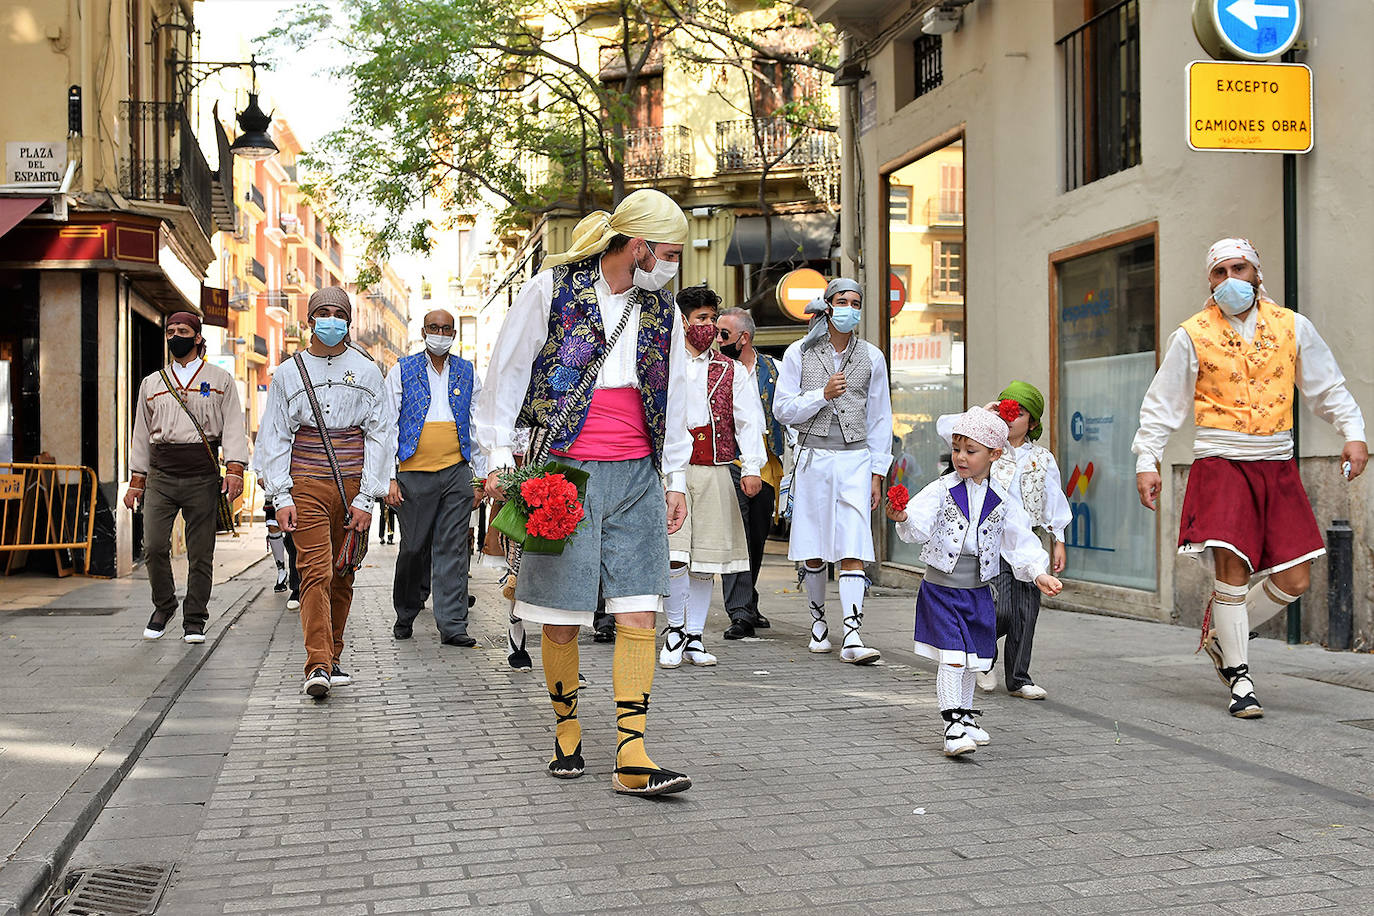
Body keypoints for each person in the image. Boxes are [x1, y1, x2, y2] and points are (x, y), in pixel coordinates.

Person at [475, 188, 694, 797]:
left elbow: (673, 396)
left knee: (640, 606)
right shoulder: (551, 288)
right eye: (669, 253)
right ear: (640, 246)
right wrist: (497, 457)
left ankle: (632, 752)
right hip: (562, 471)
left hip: (638, 474)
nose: (673, 265)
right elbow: (508, 371)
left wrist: (674, 478)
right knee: (561, 613)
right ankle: (567, 732)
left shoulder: (664, 312)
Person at [1133, 238, 1367, 719]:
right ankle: (1240, 678)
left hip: (1276, 463)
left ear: (1257, 273)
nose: (1230, 279)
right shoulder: (1192, 334)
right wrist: (1147, 460)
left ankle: (1222, 635)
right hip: (1220, 462)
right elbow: (1163, 404)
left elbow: (1327, 386)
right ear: (1210, 282)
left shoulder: (1292, 326)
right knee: (1232, 572)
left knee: (1297, 577)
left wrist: (1354, 432)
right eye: (1219, 272)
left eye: (1239, 268)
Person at [888, 408, 1062, 757]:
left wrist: (1038, 571)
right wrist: (903, 516)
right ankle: (952, 724)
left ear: (995, 454)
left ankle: (965, 716)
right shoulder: (941, 489)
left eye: (971, 450)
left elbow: (1019, 541)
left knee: (973, 660)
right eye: (956, 449)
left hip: (978, 591)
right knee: (952, 658)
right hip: (941, 590)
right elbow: (918, 524)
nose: (961, 457)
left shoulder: (1002, 499)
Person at [256, 287, 393, 698]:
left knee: (343, 572)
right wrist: (281, 496)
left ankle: (333, 654)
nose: (331, 320)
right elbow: (276, 436)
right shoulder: (287, 373)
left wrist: (367, 498)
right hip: (305, 486)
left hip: (352, 487)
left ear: (348, 321)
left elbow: (381, 435)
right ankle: (316, 662)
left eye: (338, 313)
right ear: (310, 319)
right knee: (314, 570)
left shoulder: (369, 371)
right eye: (323, 313)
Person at [773, 278, 893, 665]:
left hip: (855, 459)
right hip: (814, 458)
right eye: (842, 301)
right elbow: (782, 409)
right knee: (813, 547)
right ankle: (818, 622)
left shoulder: (872, 357)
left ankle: (853, 633)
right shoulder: (799, 353)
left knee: (853, 543)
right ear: (827, 306)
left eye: (855, 302)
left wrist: (877, 472)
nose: (849, 308)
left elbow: (880, 418)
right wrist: (820, 396)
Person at [124, 311, 248, 644]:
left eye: (182, 330)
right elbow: (141, 434)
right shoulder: (152, 383)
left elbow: (234, 427)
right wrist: (137, 482)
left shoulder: (219, 380)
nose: (174, 335)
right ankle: (164, 605)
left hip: (202, 475)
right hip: (161, 476)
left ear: (196, 337)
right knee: (152, 546)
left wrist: (234, 470)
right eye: (170, 330)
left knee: (200, 553)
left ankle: (195, 618)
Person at [660, 287, 765, 669]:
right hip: (673, 470)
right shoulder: (663, 365)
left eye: (711, 319)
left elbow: (749, 417)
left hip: (714, 466)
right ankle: (673, 629)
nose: (707, 327)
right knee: (674, 556)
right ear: (683, 321)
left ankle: (694, 635)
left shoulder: (730, 369)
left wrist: (752, 466)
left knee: (706, 560)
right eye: (701, 319)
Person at [384, 308, 485, 646]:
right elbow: (386, 425)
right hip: (413, 473)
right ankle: (406, 611)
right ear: (423, 330)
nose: (440, 333)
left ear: (453, 333)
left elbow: (477, 424)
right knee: (413, 548)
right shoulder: (402, 369)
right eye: (434, 327)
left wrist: (479, 477)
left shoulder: (468, 372)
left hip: (457, 472)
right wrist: (389, 477)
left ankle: (453, 625)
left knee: (453, 548)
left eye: (446, 328)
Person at [981, 382, 1070, 699]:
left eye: (1019, 413)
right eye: (1007, 409)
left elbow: (1053, 499)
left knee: (1026, 610)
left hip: (1028, 543)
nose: (1011, 418)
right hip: (992, 541)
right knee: (1001, 608)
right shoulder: (988, 451)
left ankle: (1019, 678)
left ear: (1032, 422)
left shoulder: (1042, 458)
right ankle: (983, 657)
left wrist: (1057, 539)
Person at [716, 306, 785, 640]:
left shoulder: (776, 369)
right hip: (732, 460)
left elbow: (789, 412)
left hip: (767, 465)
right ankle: (740, 612)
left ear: (743, 338)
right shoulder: (716, 370)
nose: (717, 339)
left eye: (723, 334)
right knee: (737, 538)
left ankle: (749, 599)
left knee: (757, 539)